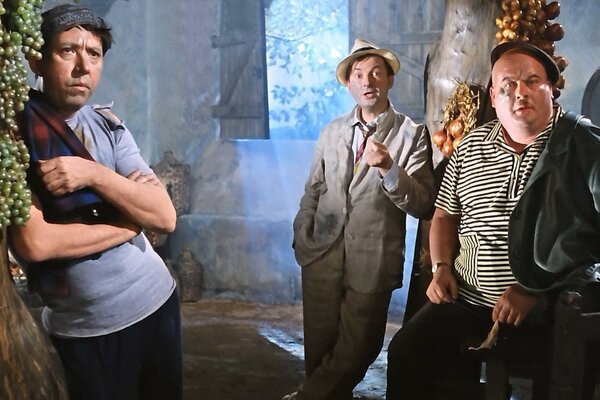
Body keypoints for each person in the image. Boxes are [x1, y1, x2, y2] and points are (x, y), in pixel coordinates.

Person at [386, 41, 600, 399]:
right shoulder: (470, 147)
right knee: (407, 353)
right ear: (493, 97)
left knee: (567, 382)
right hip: (468, 299)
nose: (520, 93)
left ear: (552, 89)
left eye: (532, 81)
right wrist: (441, 268)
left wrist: (535, 290)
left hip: (552, 308)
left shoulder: (582, 145)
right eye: (507, 85)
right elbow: (444, 215)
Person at [9, 4, 182, 400]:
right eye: (68, 50)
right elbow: (35, 244)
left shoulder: (109, 126)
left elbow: (164, 217)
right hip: (87, 327)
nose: (83, 67)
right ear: (37, 60)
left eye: (94, 54)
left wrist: (92, 174)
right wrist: (129, 223)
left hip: (157, 299)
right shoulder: (18, 138)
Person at [284, 38, 435, 400]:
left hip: (374, 258)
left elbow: (422, 203)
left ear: (390, 80)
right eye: (358, 74)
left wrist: (388, 167)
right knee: (319, 348)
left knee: (359, 348)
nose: (367, 81)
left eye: (376, 73)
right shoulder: (332, 131)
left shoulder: (411, 134)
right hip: (321, 253)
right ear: (349, 84)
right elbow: (313, 189)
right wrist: (302, 233)